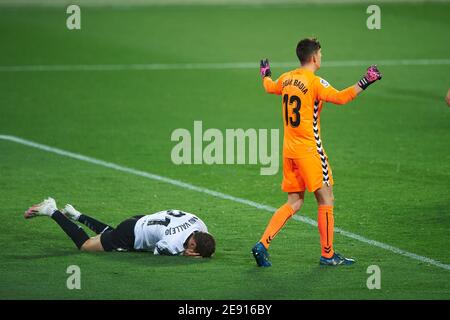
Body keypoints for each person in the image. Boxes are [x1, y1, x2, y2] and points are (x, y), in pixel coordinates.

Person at [252, 38, 382, 267]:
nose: (322, 57)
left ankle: (263, 244)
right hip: (309, 151)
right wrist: (366, 81)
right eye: (320, 54)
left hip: (289, 151)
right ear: (313, 57)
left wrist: (265, 74)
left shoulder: (287, 78)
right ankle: (328, 254)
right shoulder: (315, 82)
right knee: (326, 197)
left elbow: (269, 87)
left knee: (294, 201)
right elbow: (341, 98)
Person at [24, 197, 216, 257]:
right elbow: (159, 250)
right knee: (86, 246)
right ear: (192, 246)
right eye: (191, 248)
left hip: (141, 220)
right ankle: (52, 210)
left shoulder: (201, 225)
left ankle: (76, 215)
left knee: (112, 235)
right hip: (131, 234)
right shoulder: (174, 243)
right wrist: (181, 255)